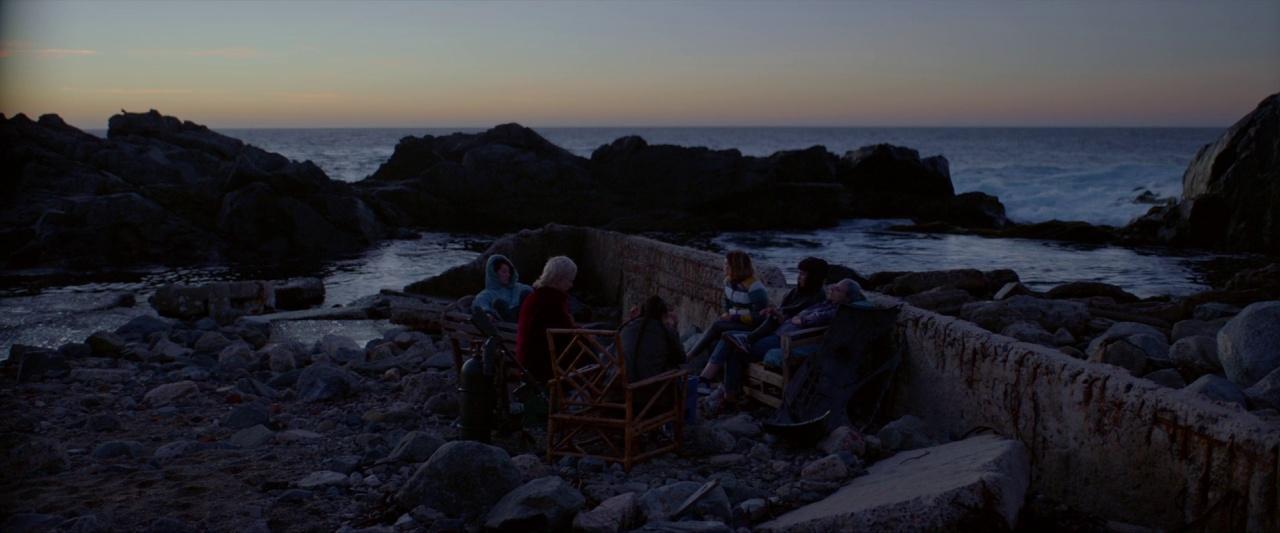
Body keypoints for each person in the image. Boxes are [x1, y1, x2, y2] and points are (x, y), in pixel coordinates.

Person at [719, 278, 866, 409]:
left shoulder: (838, 310)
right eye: (834, 286)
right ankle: (731, 391)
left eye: (838, 289)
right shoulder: (827, 303)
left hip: (787, 340)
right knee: (733, 341)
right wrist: (790, 317)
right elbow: (801, 316)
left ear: (847, 298)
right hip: (780, 332)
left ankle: (730, 396)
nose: (832, 289)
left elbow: (810, 319)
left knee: (737, 350)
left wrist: (801, 319)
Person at [687, 251, 769, 387]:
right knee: (721, 335)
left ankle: (691, 357)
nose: (723, 267)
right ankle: (705, 377)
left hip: (753, 327)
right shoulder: (728, 282)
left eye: (726, 265)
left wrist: (736, 317)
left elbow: (760, 317)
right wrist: (728, 315)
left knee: (718, 326)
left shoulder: (755, 287)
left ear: (736, 267)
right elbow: (726, 304)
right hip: (734, 323)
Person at [516, 256, 578, 382]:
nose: (571, 285)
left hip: (527, 363)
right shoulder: (552, 302)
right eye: (569, 280)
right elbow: (566, 336)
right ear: (558, 280)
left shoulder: (534, 297)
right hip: (544, 368)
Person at [748, 257, 830, 343]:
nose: (799, 277)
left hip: (792, 334)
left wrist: (777, 314)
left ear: (813, 277)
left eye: (803, 274)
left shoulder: (817, 297)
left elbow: (797, 318)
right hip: (778, 326)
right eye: (799, 273)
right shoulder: (797, 291)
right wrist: (773, 311)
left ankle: (749, 339)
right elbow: (784, 309)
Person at [619, 295, 686, 384]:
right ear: (663, 315)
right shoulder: (664, 330)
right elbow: (681, 358)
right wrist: (674, 327)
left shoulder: (626, 327)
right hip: (650, 386)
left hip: (623, 381)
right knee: (680, 369)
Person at [472, 254, 533, 323]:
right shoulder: (487, 294)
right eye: (504, 272)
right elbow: (480, 304)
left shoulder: (518, 287)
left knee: (526, 294)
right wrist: (487, 313)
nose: (508, 275)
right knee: (498, 303)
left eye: (509, 272)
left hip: (524, 320)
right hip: (505, 327)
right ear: (494, 273)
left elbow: (532, 292)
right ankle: (508, 319)